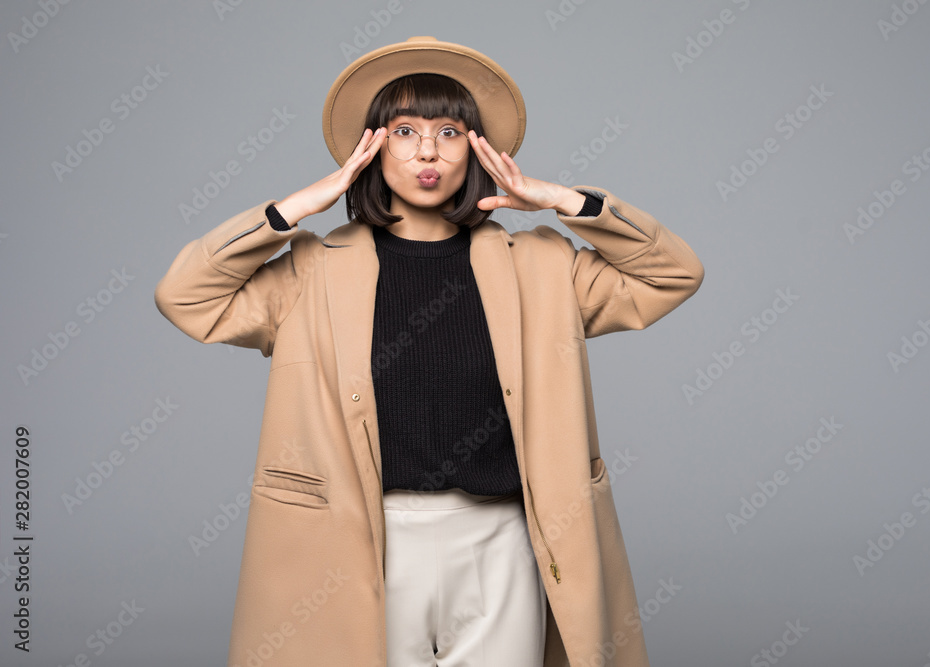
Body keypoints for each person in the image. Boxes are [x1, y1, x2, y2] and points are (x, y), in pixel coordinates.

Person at [155, 36, 704, 667]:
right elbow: (186, 296)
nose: (426, 152)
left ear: (476, 149)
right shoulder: (312, 271)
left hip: (502, 541)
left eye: (449, 132)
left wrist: (562, 201)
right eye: (403, 131)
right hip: (360, 541)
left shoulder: (542, 266)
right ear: (371, 148)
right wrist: (295, 209)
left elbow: (673, 274)